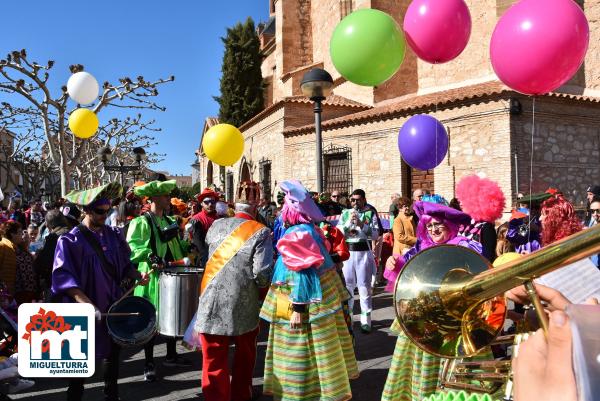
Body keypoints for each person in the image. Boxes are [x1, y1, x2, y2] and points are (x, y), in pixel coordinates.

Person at [260, 180, 358, 401]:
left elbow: (304, 270)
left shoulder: (298, 233)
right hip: (315, 298)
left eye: (284, 207)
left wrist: (298, 307)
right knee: (316, 349)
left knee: (300, 349)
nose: (281, 212)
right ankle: (314, 390)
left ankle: (302, 393)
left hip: (303, 300)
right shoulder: (307, 229)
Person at [51, 182, 149, 401]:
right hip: (83, 311)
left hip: (112, 306)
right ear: (86, 210)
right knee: (79, 364)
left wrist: (137, 276)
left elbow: (124, 265)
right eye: (99, 211)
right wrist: (86, 304)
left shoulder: (114, 235)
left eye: (108, 211)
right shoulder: (69, 241)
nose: (105, 215)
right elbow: (64, 279)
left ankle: (111, 396)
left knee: (112, 357)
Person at [382, 200, 481, 401]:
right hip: (423, 318)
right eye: (429, 226)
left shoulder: (464, 246)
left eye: (438, 225)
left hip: (456, 321)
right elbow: (408, 272)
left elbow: (477, 275)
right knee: (420, 362)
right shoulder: (421, 247)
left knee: (455, 366)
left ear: (449, 225)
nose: (434, 229)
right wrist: (394, 263)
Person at [189, 201, 272, 401]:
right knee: (245, 353)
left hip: (211, 299)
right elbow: (261, 274)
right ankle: (242, 394)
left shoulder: (216, 225)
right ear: (254, 211)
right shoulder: (261, 231)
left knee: (213, 358)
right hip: (243, 302)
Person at [127, 180, 191, 382]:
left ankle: (171, 355)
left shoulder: (169, 220)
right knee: (151, 319)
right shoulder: (142, 222)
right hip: (152, 277)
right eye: (165, 196)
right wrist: (150, 256)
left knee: (170, 315)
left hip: (170, 274)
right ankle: (148, 362)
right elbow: (134, 246)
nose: (168, 199)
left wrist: (187, 247)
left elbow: (175, 245)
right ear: (154, 198)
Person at [337, 188, 379, 333]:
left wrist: (362, 224)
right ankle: (348, 319)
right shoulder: (345, 213)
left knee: (364, 287)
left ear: (364, 200)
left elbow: (375, 235)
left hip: (363, 253)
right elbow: (338, 232)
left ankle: (365, 321)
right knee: (347, 286)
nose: (355, 203)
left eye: (358, 200)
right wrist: (349, 224)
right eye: (353, 200)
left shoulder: (370, 213)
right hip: (349, 253)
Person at [456, 175, 505, 263]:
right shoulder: (462, 223)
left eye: (465, 199)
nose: (460, 203)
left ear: (476, 201)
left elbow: (488, 258)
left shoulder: (486, 227)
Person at [33, 210, 71, 301]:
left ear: (49, 224)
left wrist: (38, 255)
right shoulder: (73, 232)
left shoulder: (53, 238)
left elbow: (42, 263)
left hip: (57, 285)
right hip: (75, 284)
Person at [190, 188, 219, 267]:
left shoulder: (219, 218)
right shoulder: (196, 219)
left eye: (212, 202)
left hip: (218, 257)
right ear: (201, 203)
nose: (210, 204)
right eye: (206, 202)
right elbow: (198, 245)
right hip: (204, 260)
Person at [15, 226, 37, 304]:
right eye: (26, 239)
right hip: (24, 290)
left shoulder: (25, 253)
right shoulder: (22, 254)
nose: (30, 239)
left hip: (26, 289)